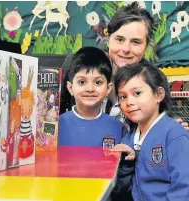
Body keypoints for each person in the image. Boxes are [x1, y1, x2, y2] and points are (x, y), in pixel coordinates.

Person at [60, 2, 189, 130]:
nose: (126, 49)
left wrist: (172, 127)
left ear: (146, 46)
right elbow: (56, 112)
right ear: (108, 39)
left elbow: (161, 122)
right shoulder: (78, 64)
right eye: (119, 39)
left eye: (136, 42)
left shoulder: (155, 79)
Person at [111, 61, 189, 201]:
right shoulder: (127, 140)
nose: (129, 102)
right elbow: (120, 192)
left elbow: (183, 188)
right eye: (123, 96)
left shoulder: (175, 135)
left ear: (159, 94)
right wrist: (125, 165)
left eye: (137, 93)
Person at [58, 46, 125, 147]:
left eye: (98, 82)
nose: (90, 89)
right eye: (82, 82)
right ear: (70, 88)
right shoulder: (56, 125)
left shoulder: (119, 128)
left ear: (108, 88)